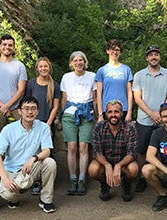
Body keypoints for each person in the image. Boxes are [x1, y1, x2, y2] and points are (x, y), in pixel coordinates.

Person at [0, 96, 57, 213]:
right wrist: (4, 178)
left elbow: (47, 151)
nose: (30, 112)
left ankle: (46, 200)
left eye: (33, 108)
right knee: (7, 194)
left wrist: (34, 158)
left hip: (31, 167)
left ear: (37, 112)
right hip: (12, 170)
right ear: (20, 111)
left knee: (50, 163)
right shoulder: (8, 129)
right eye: (26, 108)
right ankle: (15, 198)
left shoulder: (43, 127)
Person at [132, 45, 167, 192]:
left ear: (160, 57)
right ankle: (141, 178)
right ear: (147, 58)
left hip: (163, 120)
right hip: (144, 119)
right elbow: (137, 98)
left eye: (156, 54)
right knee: (141, 150)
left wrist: (160, 113)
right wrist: (152, 114)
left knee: (165, 149)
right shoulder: (139, 75)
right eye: (150, 55)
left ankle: (166, 178)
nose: (153, 57)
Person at [60, 51, 97, 195]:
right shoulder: (66, 77)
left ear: (85, 62)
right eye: (75, 60)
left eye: (81, 60)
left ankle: (82, 179)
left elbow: (94, 99)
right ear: (71, 63)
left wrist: (99, 115)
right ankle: (72, 178)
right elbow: (64, 99)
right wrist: (59, 116)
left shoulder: (92, 76)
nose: (78, 62)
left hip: (87, 113)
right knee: (72, 146)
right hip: (70, 113)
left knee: (83, 147)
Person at [88, 100, 138, 202]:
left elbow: (132, 153)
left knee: (134, 169)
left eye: (116, 112)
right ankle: (105, 183)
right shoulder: (99, 127)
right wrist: (107, 165)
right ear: (106, 114)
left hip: (123, 162)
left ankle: (126, 184)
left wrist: (119, 165)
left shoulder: (130, 128)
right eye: (110, 112)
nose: (113, 115)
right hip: (105, 161)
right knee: (93, 169)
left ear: (122, 113)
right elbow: (96, 151)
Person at [24, 56, 61, 195]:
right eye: (41, 66)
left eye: (46, 66)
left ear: (49, 68)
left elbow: (55, 106)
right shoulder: (31, 84)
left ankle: (47, 182)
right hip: (33, 123)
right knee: (34, 151)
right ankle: (35, 181)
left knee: (47, 152)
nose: (43, 68)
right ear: (37, 68)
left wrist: (48, 124)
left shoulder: (54, 85)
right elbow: (27, 104)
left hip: (47, 123)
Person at [0, 34, 27, 136]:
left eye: (10, 45)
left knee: (24, 132)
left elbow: (21, 90)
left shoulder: (19, 66)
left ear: (13, 47)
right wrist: (2, 106)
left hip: (16, 108)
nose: (7, 47)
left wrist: (7, 106)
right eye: (4, 44)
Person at [95, 39, 133, 122]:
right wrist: (100, 114)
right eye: (112, 49)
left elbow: (129, 92)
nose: (115, 52)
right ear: (107, 51)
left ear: (120, 52)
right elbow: (99, 94)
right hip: (107, 110)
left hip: (123, 110)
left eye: (117, 50)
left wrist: (129, 113)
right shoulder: (101, 71)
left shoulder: (126, 69)